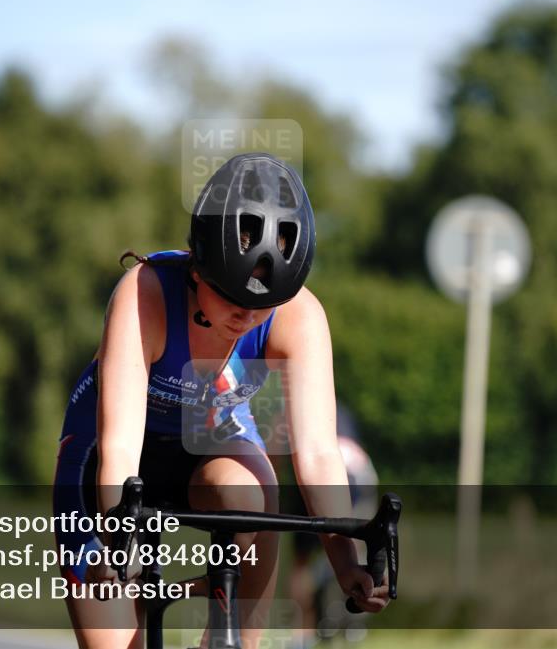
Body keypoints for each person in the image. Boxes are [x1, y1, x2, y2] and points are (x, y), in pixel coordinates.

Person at [52, 153, 390, 649]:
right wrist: (116, 543)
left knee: (255, 492)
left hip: (208, 442)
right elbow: (120, 448)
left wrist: (343, 562)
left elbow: (317, 453)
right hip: (105, 456)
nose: (246, 318)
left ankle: (229, 640)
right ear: (197, 268)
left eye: (263, 306)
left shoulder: (302, 316)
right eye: (233, 300)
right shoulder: (144, 293)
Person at [287, 404, 378, 644]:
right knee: (350, 555)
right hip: (354, 478)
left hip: (341, 477)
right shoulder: (345, 412)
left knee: (306, 562)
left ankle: (310, 630)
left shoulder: (287, 409)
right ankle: (347, 621)